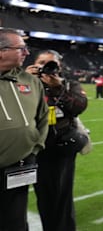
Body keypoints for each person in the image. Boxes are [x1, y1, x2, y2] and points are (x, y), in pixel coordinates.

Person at [27, 50, 88, 231]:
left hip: (59, 148)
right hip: (28, 148)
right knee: (36, 196)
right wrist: (25, 79)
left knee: (61, 197)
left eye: (51, 63)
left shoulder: (68, 85)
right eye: (42, 62)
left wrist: (58, 88)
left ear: (59, 67)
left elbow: (79, 106)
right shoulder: (24, 83)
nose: (46, 66)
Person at [0, 28, 49, 231]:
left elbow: (44, 117)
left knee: (16, 221)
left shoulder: (30, 81)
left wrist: (35, 148)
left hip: (20, 165)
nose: (27, 53)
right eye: (21, 48)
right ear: (1, 51)